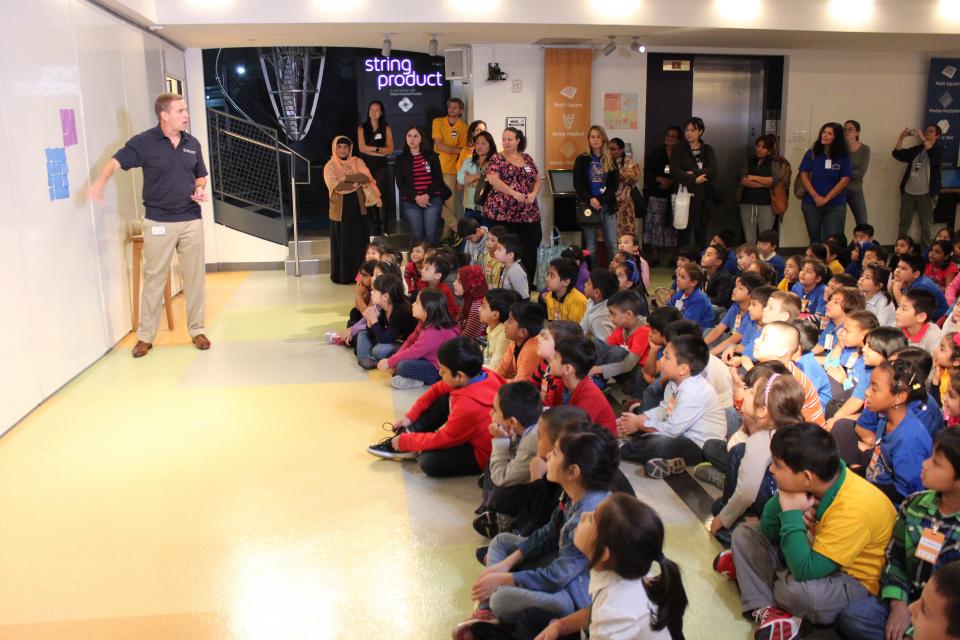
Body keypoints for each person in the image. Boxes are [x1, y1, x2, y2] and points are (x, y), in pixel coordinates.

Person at [723, 422, 896, 640]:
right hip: (814, 555)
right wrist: (784, 500)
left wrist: (792, 515)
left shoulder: (855, 507)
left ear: (806, 477)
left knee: (794, 592)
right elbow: (767, 530)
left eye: (777, 465)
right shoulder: (817, 483)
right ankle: (769, 609)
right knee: (744, 535)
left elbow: (806, 571)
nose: (771, 470)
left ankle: (755, 578)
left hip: (852, 579)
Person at [452, 425, 617, 635]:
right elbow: (549, 532)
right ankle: (488, 608)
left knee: (501, 599)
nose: (547, 455)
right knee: (501, 541)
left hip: (572, 594)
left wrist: (505, 578)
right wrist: (505, 565)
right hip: (559, 563)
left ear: (573, 471)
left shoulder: (588, 516)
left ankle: (491, 603)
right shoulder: (574, 492)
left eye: (555, 453)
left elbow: (556, 577)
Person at [88, 93, 211, 358]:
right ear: (164, 115)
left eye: (186, 110)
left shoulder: (193, 143)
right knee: (154, 279)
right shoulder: (144, 142)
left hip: (191, 220)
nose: (186, 115)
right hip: (159, 221)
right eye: (180, 111)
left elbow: (200, 174)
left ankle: (197, 330)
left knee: (194, 279)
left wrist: (200, 189)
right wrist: (99, 183)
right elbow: (115, 161)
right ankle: (145, 337)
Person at [836, 429, 960, 640]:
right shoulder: (913, 504)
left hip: (943, 618)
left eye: (936, 463)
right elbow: (895, 559)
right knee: (853, 618)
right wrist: (898, 605)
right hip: (906, 597)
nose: (925, 464)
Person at [530, 494, 688, 640]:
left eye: (592, 519)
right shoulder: (624, 566)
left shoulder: (615, 611)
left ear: (604, 553)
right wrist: (560, 626)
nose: (584, 515)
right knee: (531, 616)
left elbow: (605, 613)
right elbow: (595, 611)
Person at [368, 337, 504, 477]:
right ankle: (409, 432)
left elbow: (443, 438)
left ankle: (407, 441)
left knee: (428, 462)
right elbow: (436, 390)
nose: (439, 373)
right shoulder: (481, 373)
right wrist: (409, 417)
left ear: (460, 376)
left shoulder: (469, 406)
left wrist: (407, 442)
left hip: (481, 453)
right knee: (442, 395)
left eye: (443, 371)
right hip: (469, 432)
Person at [484, 127, 543, 284]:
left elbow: (538, 179)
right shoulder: (497, 158)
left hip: (528, 214)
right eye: (504, 139)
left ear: (518, 140)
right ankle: (504, 286)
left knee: (530, 250)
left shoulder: (527, 158)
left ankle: (526, 285)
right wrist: (513, 192)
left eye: (510, 139)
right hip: (503, 214)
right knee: (505, 250)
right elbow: (492, 179)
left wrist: (533, 194)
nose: (506, 142)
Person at [323, 136, 380, 285]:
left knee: (359, 243)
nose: (342, 150)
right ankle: (342, 276)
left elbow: (364, 177)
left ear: (350, 149)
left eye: (345, 147)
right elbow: (335, 186)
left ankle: (361, 276)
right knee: (343, 244)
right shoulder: (330, 165)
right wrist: (354, 185)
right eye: (339, 147)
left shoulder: (357, 161)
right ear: (334, 148)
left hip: (358, 209)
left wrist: (344, 176)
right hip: (340, 212)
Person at [798, 122, 852, 244]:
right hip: (812, 203)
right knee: (815, 239)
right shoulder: (812, 153)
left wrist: (827, 198)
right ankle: (816, 262)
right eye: (824, 132)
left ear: (836, 137)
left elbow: (845, 180)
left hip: (835, 204)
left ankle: (830, 262)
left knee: (831, 240)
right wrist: (816, 196)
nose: (825, 135)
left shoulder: (843, 157)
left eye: (829, 133)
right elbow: (804, 175)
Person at [670, 117, 718, 250]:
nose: (689, 133)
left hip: (704, 198)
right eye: (687, 130)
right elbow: (675, 171)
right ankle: (683, 266)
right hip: (685, 197)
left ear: (700, 131)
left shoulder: (707, 149)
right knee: (683, 233)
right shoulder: (679, 149)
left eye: (693, 130)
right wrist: (694, 179)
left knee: (701, 234)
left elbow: (713, 170)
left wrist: (693, 172)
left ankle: (701, 265)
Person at [573, 125, 619, 262]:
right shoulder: (582, 159)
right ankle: (591, 277)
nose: (595, 140)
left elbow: (614, 185)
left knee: (612, 244)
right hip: (588, 206)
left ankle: (613, 276)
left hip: (607, 206)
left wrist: (600, 199)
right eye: (592, 137)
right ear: (588, 139)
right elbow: (578, 183)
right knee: (590, 247)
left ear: (603, 139)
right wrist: (591, 199)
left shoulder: (610, 159)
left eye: (598, 136)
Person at [395, 126, 448, 246]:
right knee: (417, 237)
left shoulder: (432, 156)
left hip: (432, 198)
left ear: (421, 139)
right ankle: (417, 263)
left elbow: (438, 178)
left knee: (431, 236)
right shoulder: (401, 159)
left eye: (416, 136)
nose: (412, 139)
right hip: (412, 200)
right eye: (409, 136)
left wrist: (427, 195)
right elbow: (400, 183)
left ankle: (433, 263)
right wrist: (416, 197)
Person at [894, 124, 944, 247]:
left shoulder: (939, 149)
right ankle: (901, 248)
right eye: (926, 131)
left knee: (926, 223)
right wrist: (901, 138)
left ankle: (926, 251)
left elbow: (934, 156)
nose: (927, 133)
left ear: (937, 136)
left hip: (927, 193)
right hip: (909, 191)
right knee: (904, 221)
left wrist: (922, 138)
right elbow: (897, 154)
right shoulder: (917, 149)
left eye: (931, 131)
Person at [643, 126, 681, 265]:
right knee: (654, 227)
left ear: (679, 140)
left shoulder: (682, 154)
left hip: (675, 195)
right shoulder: (657, 153)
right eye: (668, 135)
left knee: (673, 227)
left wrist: (671, 182)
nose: (669, 138)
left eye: (673, 136)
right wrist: (659, 179)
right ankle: (655, 257)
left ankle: (672, 257)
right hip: (657, 194)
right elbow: (648, 171)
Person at [356, 100, 394, 235]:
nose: (373, 112)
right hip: (366, 166)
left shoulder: (386, 128)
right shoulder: (362, 128)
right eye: (371, 109)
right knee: (369, 195)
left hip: (381, 167)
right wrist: (379, 151)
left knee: (381, 195)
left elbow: (389, 149)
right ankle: (375, 224)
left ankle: (384, 225)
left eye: (376, 110)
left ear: (381, 112)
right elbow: (361, 148)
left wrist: (372, 149)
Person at [432, 97, 468, 236]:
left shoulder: (464, 127)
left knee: (450, 205)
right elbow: (438, 145)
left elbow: (464, 150)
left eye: (455, 107)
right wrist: (455, 150)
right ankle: (459, 229)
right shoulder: (438, 122)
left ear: (461, 110)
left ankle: (446, 237)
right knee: (433, 201)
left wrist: (451, 150)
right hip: (435, 168)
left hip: (452, 170)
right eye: (450, 106)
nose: (452, 109)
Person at [737, 135, 778, 246]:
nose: (759, 149)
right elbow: (743, 179)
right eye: (758, 146)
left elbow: (773, 181)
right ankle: (750, 259)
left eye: (763, 147)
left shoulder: (774, 163)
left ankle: (763, 260)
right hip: (747, 201)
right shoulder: (750, 161)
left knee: (764, 235)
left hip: (766, 203)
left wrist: (754, 177)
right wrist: (763, 183)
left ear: (769, 151)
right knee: (749, 235)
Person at [458, 130, 497, 224]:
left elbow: (493, 184)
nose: (479, 146)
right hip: (470, 208)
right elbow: (460, 179)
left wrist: (470, 180)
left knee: (487, 237)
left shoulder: (495, 162)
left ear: (490, 145)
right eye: (477, 143)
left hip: (489, 210)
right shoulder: (468, 161)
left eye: (484, 143)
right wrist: (480, 176)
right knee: (469, 236)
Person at [609, 137, 642, 240]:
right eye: (609, 149)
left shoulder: (631, 163)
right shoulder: (605, 162)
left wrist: (617, 175)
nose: (610, 151)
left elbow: (634, 177)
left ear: (622, 150)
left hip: (625, 203)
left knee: (626, 232)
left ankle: (627, 255)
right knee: (609, 233)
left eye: (613, 149)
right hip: (609, 201)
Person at [843, 120, 871, 227]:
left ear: (857, 132)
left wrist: (844, 172)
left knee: (862, 222)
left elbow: (861, 172)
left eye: (850, 129)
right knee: (838, 221)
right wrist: (848, 172)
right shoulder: (841, 149)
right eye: (845, 129)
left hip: (855, 189)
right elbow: (836, 169)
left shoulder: (864, 149)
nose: (847, 132)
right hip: (840, 188)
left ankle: (863, 243)